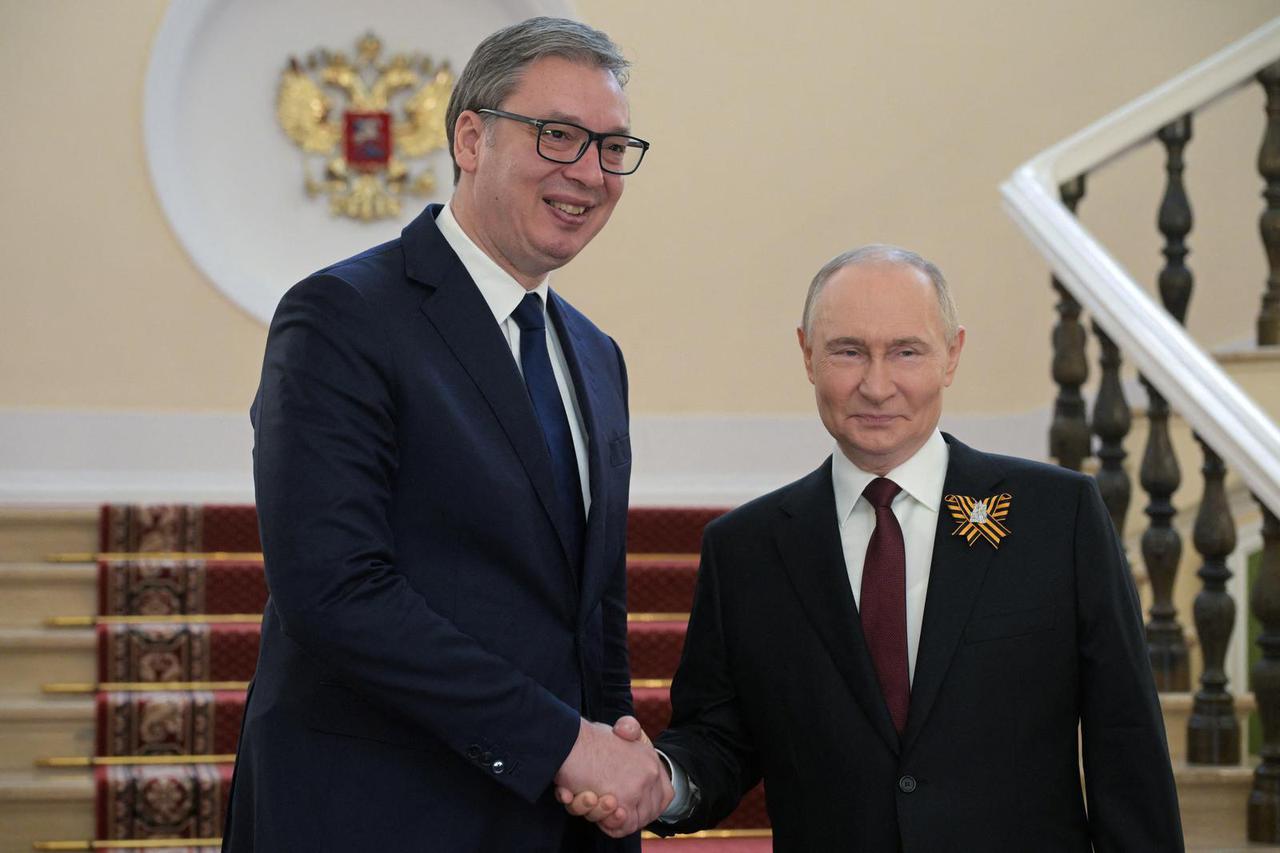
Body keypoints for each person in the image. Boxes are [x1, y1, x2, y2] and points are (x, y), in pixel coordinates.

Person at [562, 245, 1183, 851]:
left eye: (906, 352)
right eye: (848, 352)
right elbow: (721, 741)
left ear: (952, 355)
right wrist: (664, 783)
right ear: (807, 355)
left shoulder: (1057, 516)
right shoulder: (744, 549)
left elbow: (1125, 743)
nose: (877, 386)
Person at [222, 17, 670, 853]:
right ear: (471, 136)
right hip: (374, 814)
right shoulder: (342, 317)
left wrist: (611, 768)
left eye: (612, 147)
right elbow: (334, 590)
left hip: (552, 820)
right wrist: (560, 745)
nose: (589, 172)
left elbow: (594, 612)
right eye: (558, 135)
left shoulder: (597, 357)